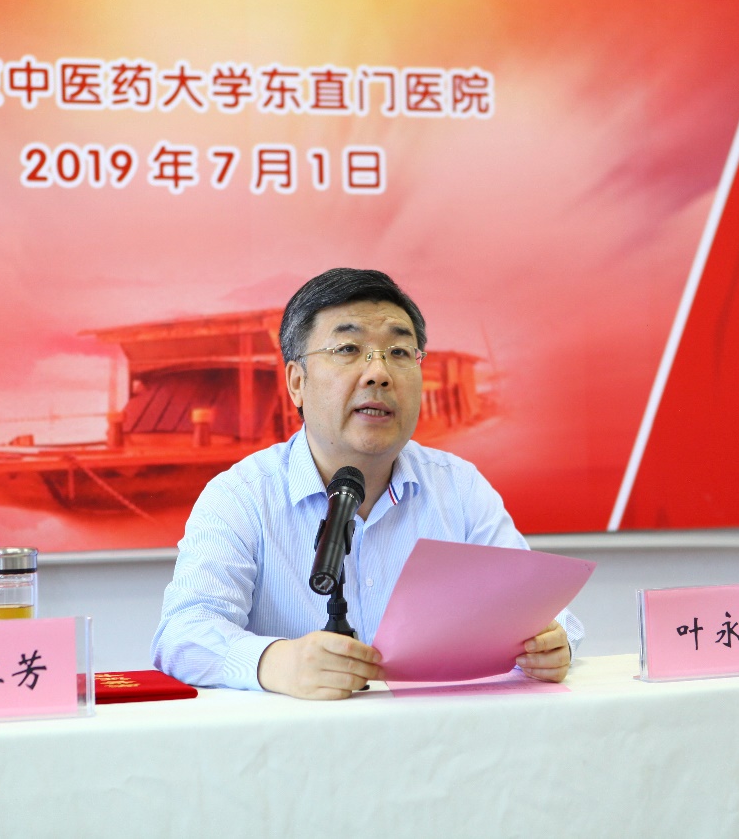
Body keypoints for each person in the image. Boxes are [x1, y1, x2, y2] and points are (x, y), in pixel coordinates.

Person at [151, 267, 583, 699]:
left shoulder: (459, 488)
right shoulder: (242, 495)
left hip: (437, 732)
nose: (379, 373)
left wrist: (549, 643)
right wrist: (276, 661)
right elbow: (183, 634)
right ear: (297, 382)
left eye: (399, 352)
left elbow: (541, 608)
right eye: (348, 349)